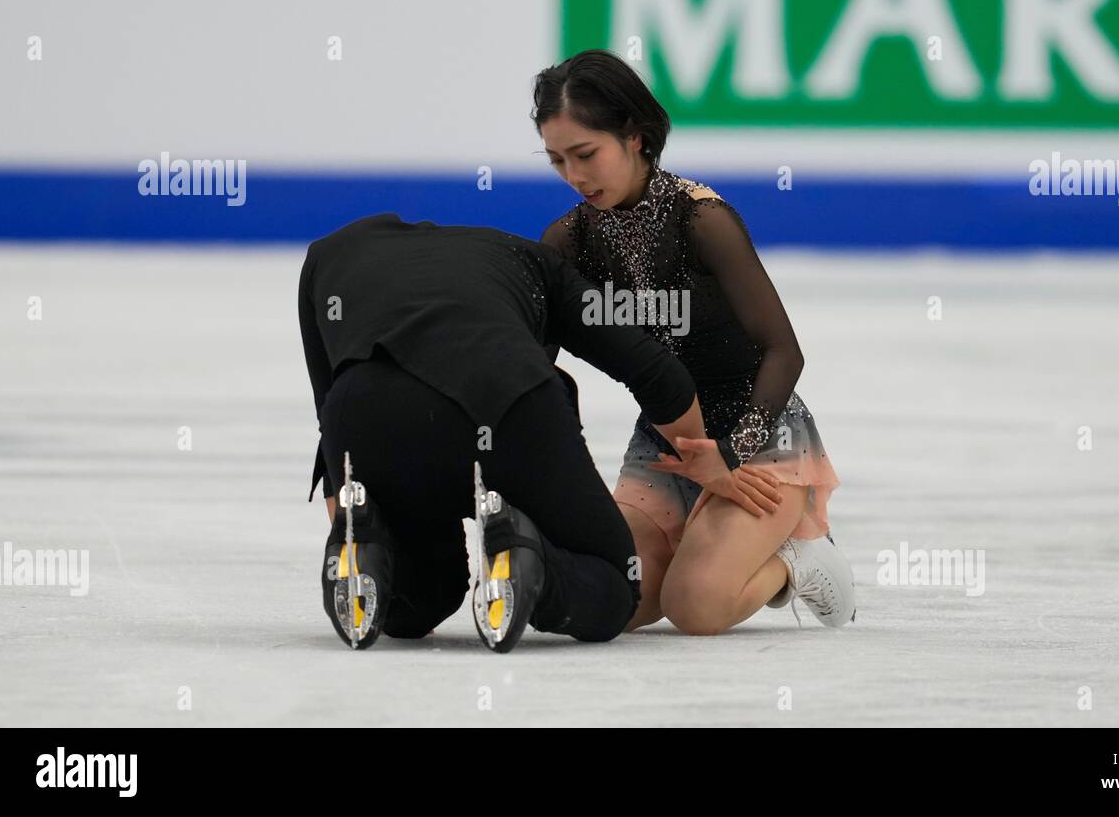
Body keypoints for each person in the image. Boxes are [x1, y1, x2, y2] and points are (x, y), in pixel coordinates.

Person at [298, 213, 781, 651]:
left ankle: (369, 547)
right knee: (615, 588)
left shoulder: (328, 254)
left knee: (422, 602)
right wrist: (701, 463)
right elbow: (659, 375)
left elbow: (330, 412)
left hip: (366, 416)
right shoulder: (534, 263)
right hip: (507, 405)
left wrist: (350, 511)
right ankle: (534, 563)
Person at [533, 49, 857, 635]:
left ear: (634, 136)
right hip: (665, 442)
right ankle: (705, 542)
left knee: (696, 606)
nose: (575, 176)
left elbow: (785, 350)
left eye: (586, 154)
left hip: (757, 440)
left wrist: (730, 453)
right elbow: (532, 366)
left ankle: (797, 561)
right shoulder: (568, 241)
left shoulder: (702, 222)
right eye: (557, 161)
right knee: (615, 599)